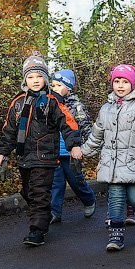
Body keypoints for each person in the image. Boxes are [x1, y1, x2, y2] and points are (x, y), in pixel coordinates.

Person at [0, 52, 82, 247]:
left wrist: (74, 145)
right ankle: (42, 214)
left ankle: (37, 231)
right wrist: (3, 152)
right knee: (29, 192)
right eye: (31, 77)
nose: (35, 81)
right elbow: (9, 130)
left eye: (39, 76)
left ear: (46, 78)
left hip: (45, 157)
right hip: (24, 156)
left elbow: (68, 123)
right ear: (25, 79)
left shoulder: (51, 101)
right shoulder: (18, 103)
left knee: (39, 192)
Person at [81, 64, 135, 251]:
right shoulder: (106, 109)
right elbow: (96, 135)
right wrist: (84, 151)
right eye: (117, 81)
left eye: (125, 81)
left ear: (133, 84)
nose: (120, 85)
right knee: (116, 199)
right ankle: (116, 234)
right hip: (112, 164)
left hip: (133, 163)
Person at [48, 69, 97, 224]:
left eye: (57, 85)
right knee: (56, 182)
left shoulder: (76, 106)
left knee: (76, 180)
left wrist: (87, 147)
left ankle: (89, 200)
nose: (54, 88)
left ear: (68, 88)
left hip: (72, 152)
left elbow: (85, 126)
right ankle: (54, 211)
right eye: (52, 85)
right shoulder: (50, 104)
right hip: (55, 151)